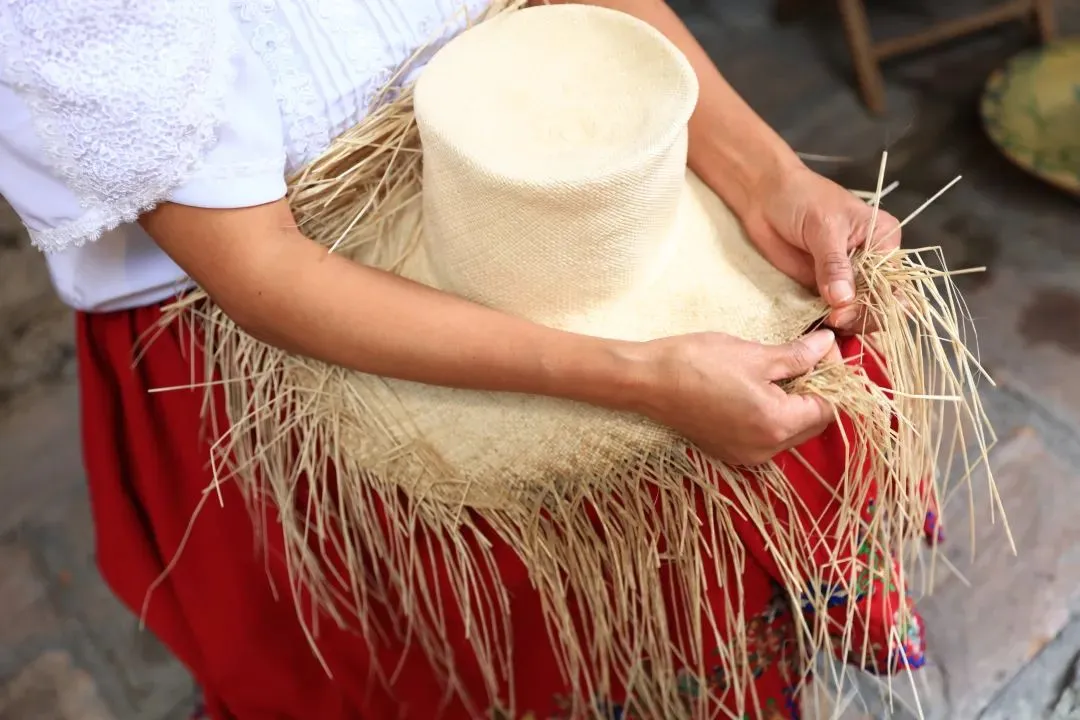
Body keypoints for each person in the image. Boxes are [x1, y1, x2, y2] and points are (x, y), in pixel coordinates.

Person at [0, 0, 918, 718]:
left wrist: (770, 180)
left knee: (711, 559)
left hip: (551, 166)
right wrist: (639, 375)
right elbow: (258, 266)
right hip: (293, 329)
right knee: (459, 645)